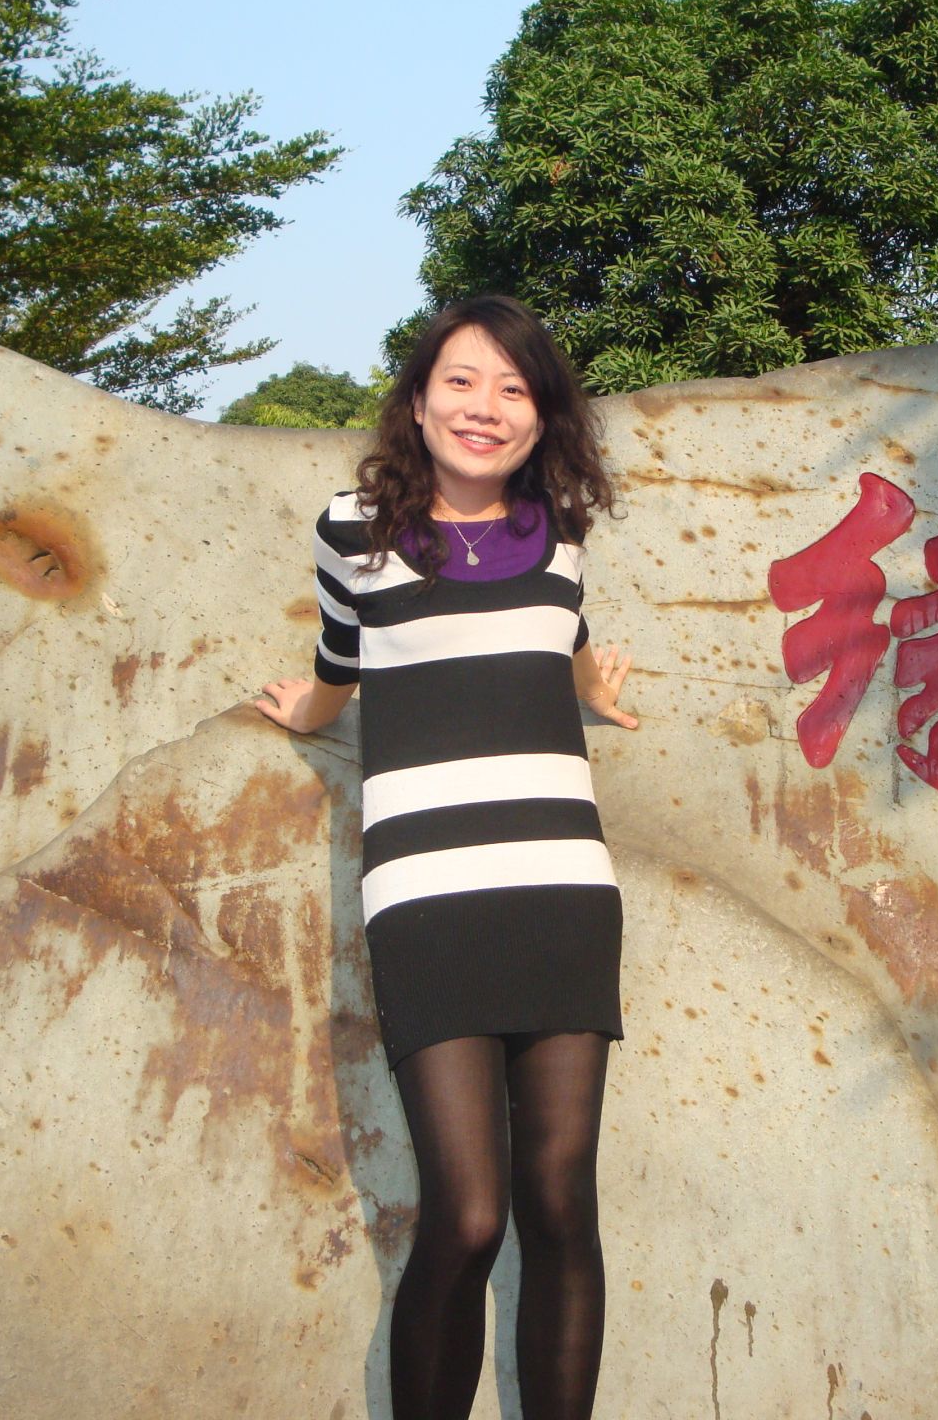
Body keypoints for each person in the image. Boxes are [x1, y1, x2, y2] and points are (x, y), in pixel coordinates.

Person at [254, 294, 636, 1420]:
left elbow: (561, 630)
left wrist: (593, 688)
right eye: (461, 381)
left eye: (514, 389)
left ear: (542, 415)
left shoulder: (558, 530)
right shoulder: (352, 529)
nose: (486, 407)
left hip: (562, 891)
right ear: (418, 402)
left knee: (560, 1203)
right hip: (427, 899)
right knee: (467, 1216)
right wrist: (309, 708)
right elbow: (343, 653)